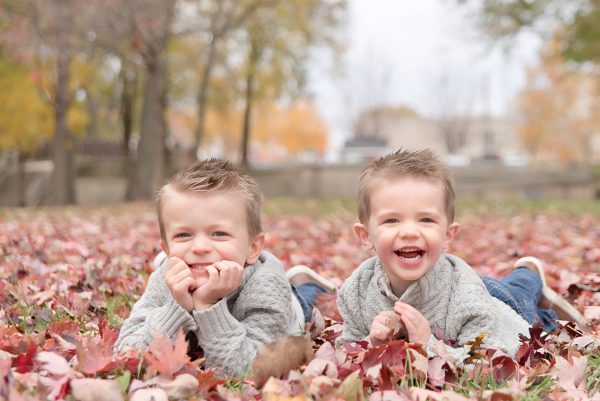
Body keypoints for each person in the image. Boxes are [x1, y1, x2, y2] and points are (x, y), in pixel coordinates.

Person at [336, 148, 588, 359]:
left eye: (425, 219)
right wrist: (371, 343)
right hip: (473, 292)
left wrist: (429, 345)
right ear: (365, 236)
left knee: (523, 305)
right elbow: (347, 347)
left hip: (494, 305)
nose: (410, 231)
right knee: (502, 288)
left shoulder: (468, 299)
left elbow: (483, 359)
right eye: (391, 220)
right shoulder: (357, 291)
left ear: (448, 234)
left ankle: (530, 276)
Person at [115, 158, 334, 376]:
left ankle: (304, 284)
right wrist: (176, 306)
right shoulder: (167, 279)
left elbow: (248, 369)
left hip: (291, 307)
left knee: (304, 301)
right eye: (183, 235)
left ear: (252, 247)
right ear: (168, 249)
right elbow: (127, 353)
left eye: (219, 234)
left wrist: (208, 307)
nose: (200, 247)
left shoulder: (265, 289)